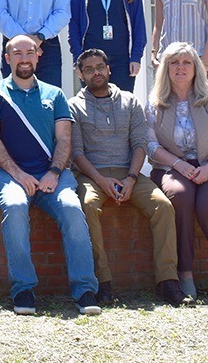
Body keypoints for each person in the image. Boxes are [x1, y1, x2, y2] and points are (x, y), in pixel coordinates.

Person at [0, 34, 100, 316]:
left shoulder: (54, 94)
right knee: (16, 206)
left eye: (29, 52)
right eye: (17, 53)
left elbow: (64, 140)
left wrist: (54, 173)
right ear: (7, 59)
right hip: (6, 175)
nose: (24, 58)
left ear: (38, 55)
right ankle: (23, 288)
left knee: (70, 208)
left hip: (51, 175)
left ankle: (84, 289)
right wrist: (19, 174)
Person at [70, 48, 191, 306]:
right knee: (88, 206)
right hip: (92, 176)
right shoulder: (74, 106)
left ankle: (167, 282)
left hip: (130, 174)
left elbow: (139, 145)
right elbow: (77, 154)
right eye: (89, 69)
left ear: (109, 69)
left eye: (100, 67)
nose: (96, 72)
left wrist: (132, 179)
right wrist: (102, 182)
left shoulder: (130, 101)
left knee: (162, 206)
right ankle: (102, 282)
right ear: (80, 74)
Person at [146, 41, 208, 300]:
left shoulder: (206, 100)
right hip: (169, 168)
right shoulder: (154, 103)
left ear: (196, 68)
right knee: (180, 197)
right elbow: (149, 145)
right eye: (174, 62)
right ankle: (184, 273)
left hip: (205, 168)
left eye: (186, 62)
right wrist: (178, 163)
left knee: (206, 204)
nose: (180, 67)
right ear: (166, 68)